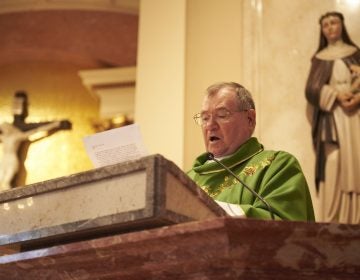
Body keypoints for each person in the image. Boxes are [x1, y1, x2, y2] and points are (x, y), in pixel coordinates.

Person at [187, 82, 315, 221]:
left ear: (250, 119)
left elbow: (285, 226)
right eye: (205, 118)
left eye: (222, 115)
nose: (210, 125)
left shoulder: (276, 165)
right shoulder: (185, 180)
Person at [305, 12, 360, 224]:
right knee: (333, 161)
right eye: (325, 24)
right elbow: (311, 89)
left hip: (355, 116)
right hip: (333, 117)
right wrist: (336, 95)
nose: (330, 27)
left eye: (334, 22)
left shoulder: (355, 53)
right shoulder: (320, 58)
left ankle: (354, 217)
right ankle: (332, 218)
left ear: (342, 25)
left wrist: (356, 98)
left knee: (355, 162)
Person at [0, 91, 72, 191]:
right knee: (1, 183)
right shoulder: (4, 137)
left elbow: (38, 130)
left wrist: (56, 124)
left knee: (7, 183)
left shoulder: (17, 135)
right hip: (3, 160)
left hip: (12, 160)